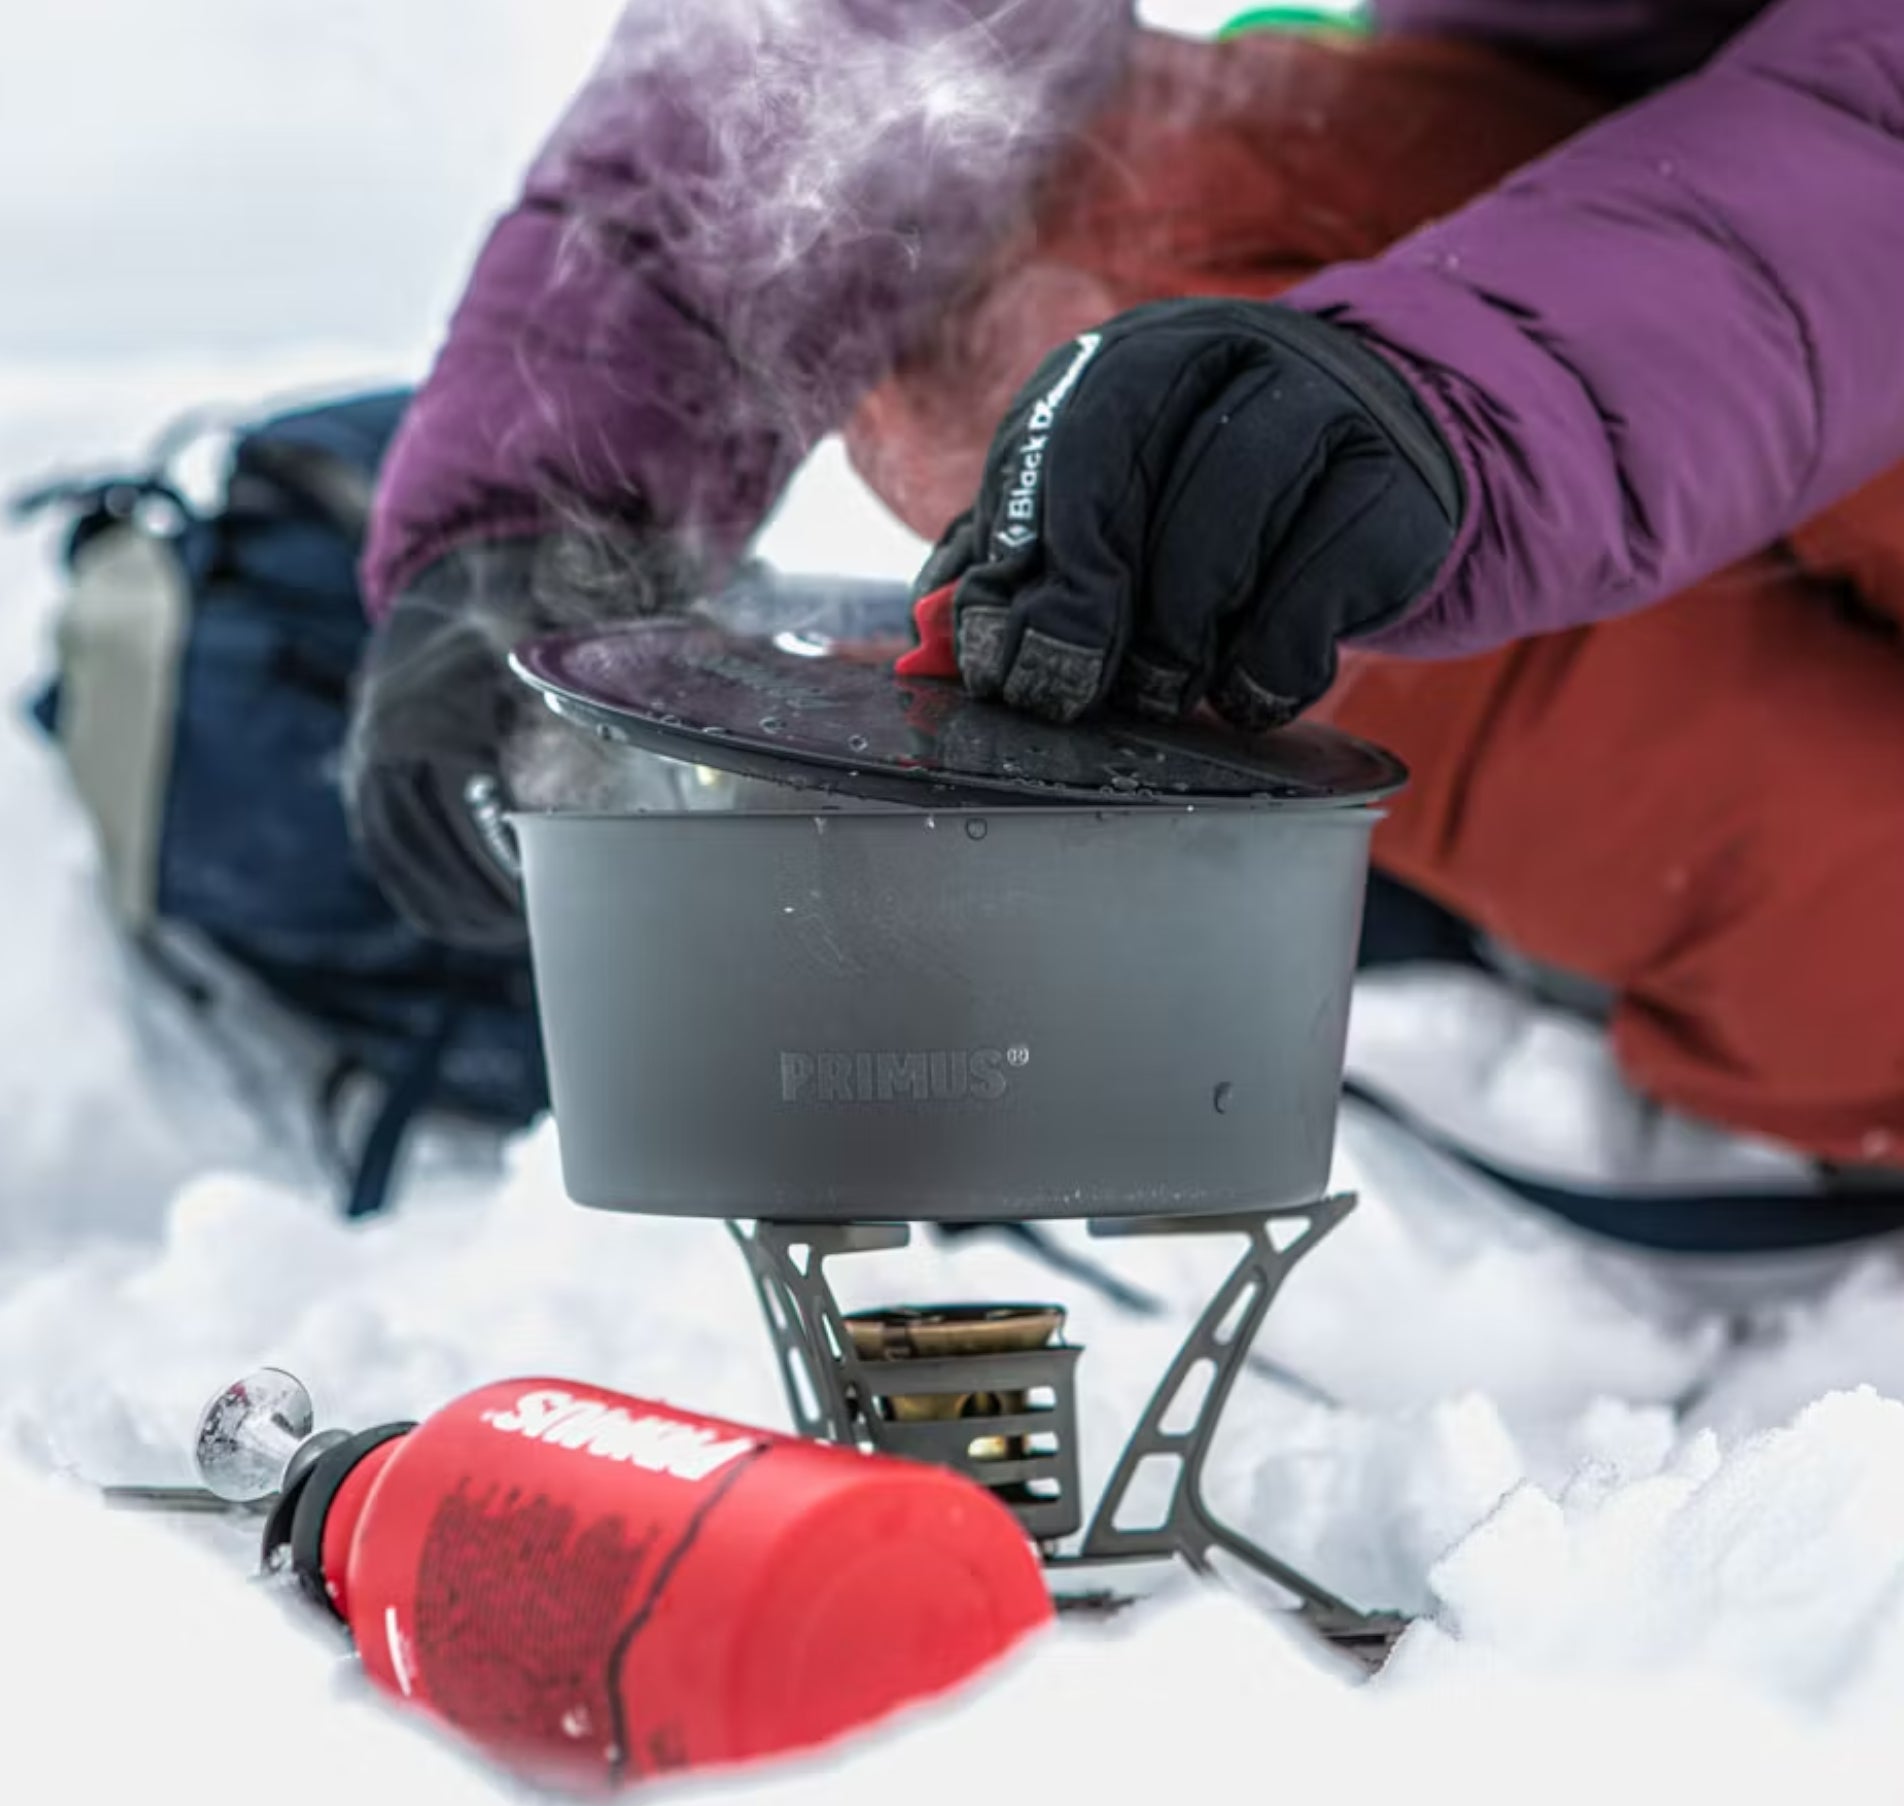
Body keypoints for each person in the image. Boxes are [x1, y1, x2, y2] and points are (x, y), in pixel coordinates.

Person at [342, 0, 1904, 1172]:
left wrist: (1455, 394)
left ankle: (1800, 1033)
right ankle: (1663, 907)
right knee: (1060, 231)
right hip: (1670, 268)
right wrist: (535, 517)